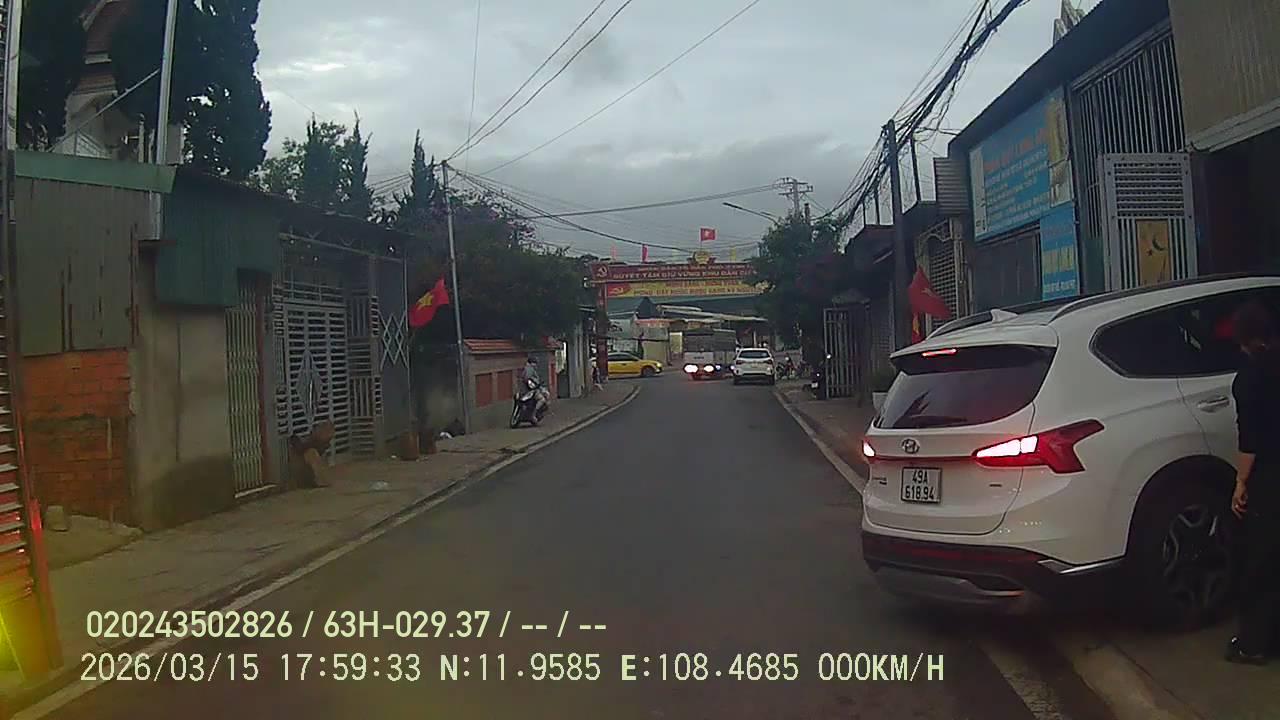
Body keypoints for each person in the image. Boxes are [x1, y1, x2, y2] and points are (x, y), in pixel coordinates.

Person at [1226, 300, 1280, 665]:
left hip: (1271, 475)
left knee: (1262, 559)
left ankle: (1254, 643)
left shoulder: (1249, 378)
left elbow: (1250, 440)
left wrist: (1240, 482)